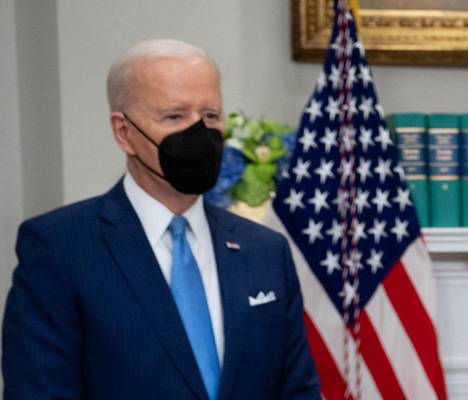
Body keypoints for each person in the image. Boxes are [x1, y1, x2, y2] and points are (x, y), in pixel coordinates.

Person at [3, 39, 319, 399]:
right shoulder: (60, 247)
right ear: (124, 132)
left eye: (210, 115)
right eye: (174, 116)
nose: (199, 131)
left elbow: (297, 390)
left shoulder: (265, 250)